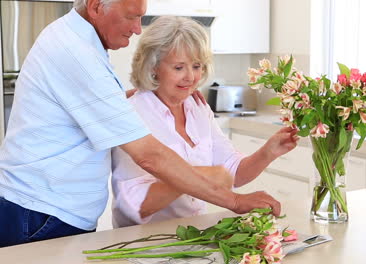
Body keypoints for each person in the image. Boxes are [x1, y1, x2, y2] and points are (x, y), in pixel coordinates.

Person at [0, 0, 281, 248]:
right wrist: (233, 201)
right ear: (97, 6)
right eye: (132, 16)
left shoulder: (72, 40)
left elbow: (80, 104)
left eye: (196, 66)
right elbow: (149, 157)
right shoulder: (77, 53)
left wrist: (117, 100)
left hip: (43, 210)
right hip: (40, 214)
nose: (137, 29)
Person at [111, 16, 299, 227]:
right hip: (142, 243)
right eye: (179, 67)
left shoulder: (197, 107)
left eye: (197, 66)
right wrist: (198, 176)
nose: (191, 77)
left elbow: (232, 173)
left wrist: (268, 152)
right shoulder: (133, 112)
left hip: (194, 234)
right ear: (153, 66)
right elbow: (135, 205)